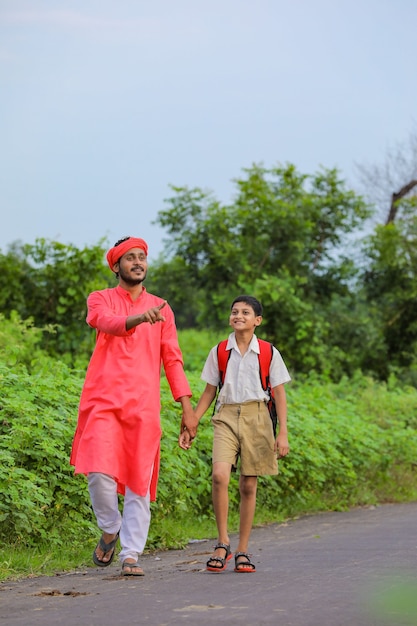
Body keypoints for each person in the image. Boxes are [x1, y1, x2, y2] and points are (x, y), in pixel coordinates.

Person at [70, 236, 198, 576]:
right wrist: (141, 318)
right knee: (99, 472)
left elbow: (172, 359)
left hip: (143, 406)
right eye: (130, 258)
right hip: (103, 400)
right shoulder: (101, 299)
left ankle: (131, 553)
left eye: (142, 257)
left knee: (140, 480)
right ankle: (110, 526)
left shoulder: (163, 308)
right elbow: (106, 323)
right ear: (117, 266)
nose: (138, 262)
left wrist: (187, 408)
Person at [179, 295, 290, 573]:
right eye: (234, 312)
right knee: (219, 476)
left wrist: (283, 433)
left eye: (245, 312)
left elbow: (279, 393)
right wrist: (192, 421)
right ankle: (222, 542)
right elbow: (209, 391)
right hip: (226, 415)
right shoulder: (220, 351)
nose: (238, 315)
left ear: (257, 321)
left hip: (258, 417)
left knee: (248, 485)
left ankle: (242, 549)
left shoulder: (268, 352)